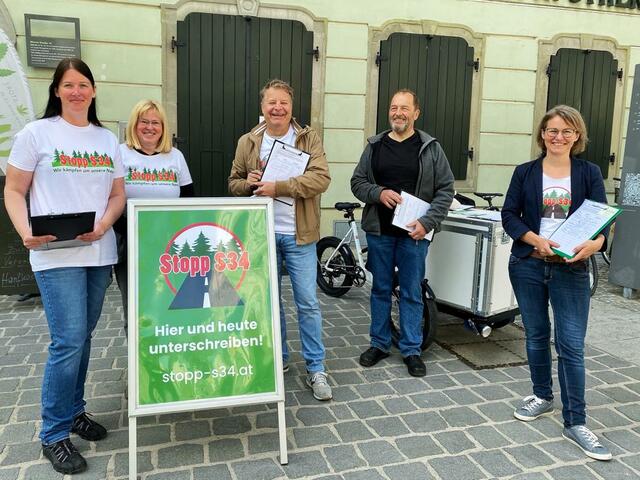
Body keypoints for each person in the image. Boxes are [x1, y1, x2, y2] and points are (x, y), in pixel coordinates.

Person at [3, 58, 125, 474]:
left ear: (93, 92)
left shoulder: (107, 139)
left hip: (98, 252)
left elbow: (116, 195)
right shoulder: (36, 134)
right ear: (56, 90)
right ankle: (53, 434)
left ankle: (75, 411)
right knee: (67, 341)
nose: (77, 92)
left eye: (84, 85)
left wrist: (105, 225)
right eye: (69, 85)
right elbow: (14, 191)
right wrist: (25, 233)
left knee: (84, 337)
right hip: (55, 257)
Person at [502, 105, 612, 461]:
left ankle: (576, 421)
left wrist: (595, 245)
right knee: (534, 335)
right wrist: (535, 240)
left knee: (571, 345)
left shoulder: (589, 173)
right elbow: (509, 215)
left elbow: (601, 223)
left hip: (571, 269)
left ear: (577, 136)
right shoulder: (526, 172)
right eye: (552, 130)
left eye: (567, 131)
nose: (559, 137)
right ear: (542, 134)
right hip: (529, 265)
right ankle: (542, 396)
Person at [228, 79, 332, 401]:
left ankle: (316, 368)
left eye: (283, 103)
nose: (277, 108)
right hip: (263, 235)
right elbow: (232, 183)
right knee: (270, 303)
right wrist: (248, 183)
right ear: (263, 107)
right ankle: (280, 361)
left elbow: (321, 178)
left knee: (308, 303)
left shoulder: (307, 138)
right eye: (271, 103)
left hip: (300, 235)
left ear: (291, 107)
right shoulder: (248, 141)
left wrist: (279, 187)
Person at [351, 89, 454, 377]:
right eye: (394, 107)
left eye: (404, 108)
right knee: (381, 289)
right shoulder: (374, 146)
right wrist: (378, 192)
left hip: (414, 233)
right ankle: (380, 343)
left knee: (411, 291)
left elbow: (446, 190)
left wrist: (428, 222)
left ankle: (411, 349)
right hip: (380, 231)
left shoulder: (430, 148)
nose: (398, 113)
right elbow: (357, 182)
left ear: (416, 113)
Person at [113, 99, 193, 335]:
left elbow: (189, 200)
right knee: (136, 305)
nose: (149, 127)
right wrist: (129, 231)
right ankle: (140, 365)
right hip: (131, 245)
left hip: (169, 246)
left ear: (163, 127)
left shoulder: (175, 156)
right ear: (134, 125)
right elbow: (110, 198)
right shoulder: (120, 154)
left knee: (170, 304)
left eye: (155, 123)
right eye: (144, 122)